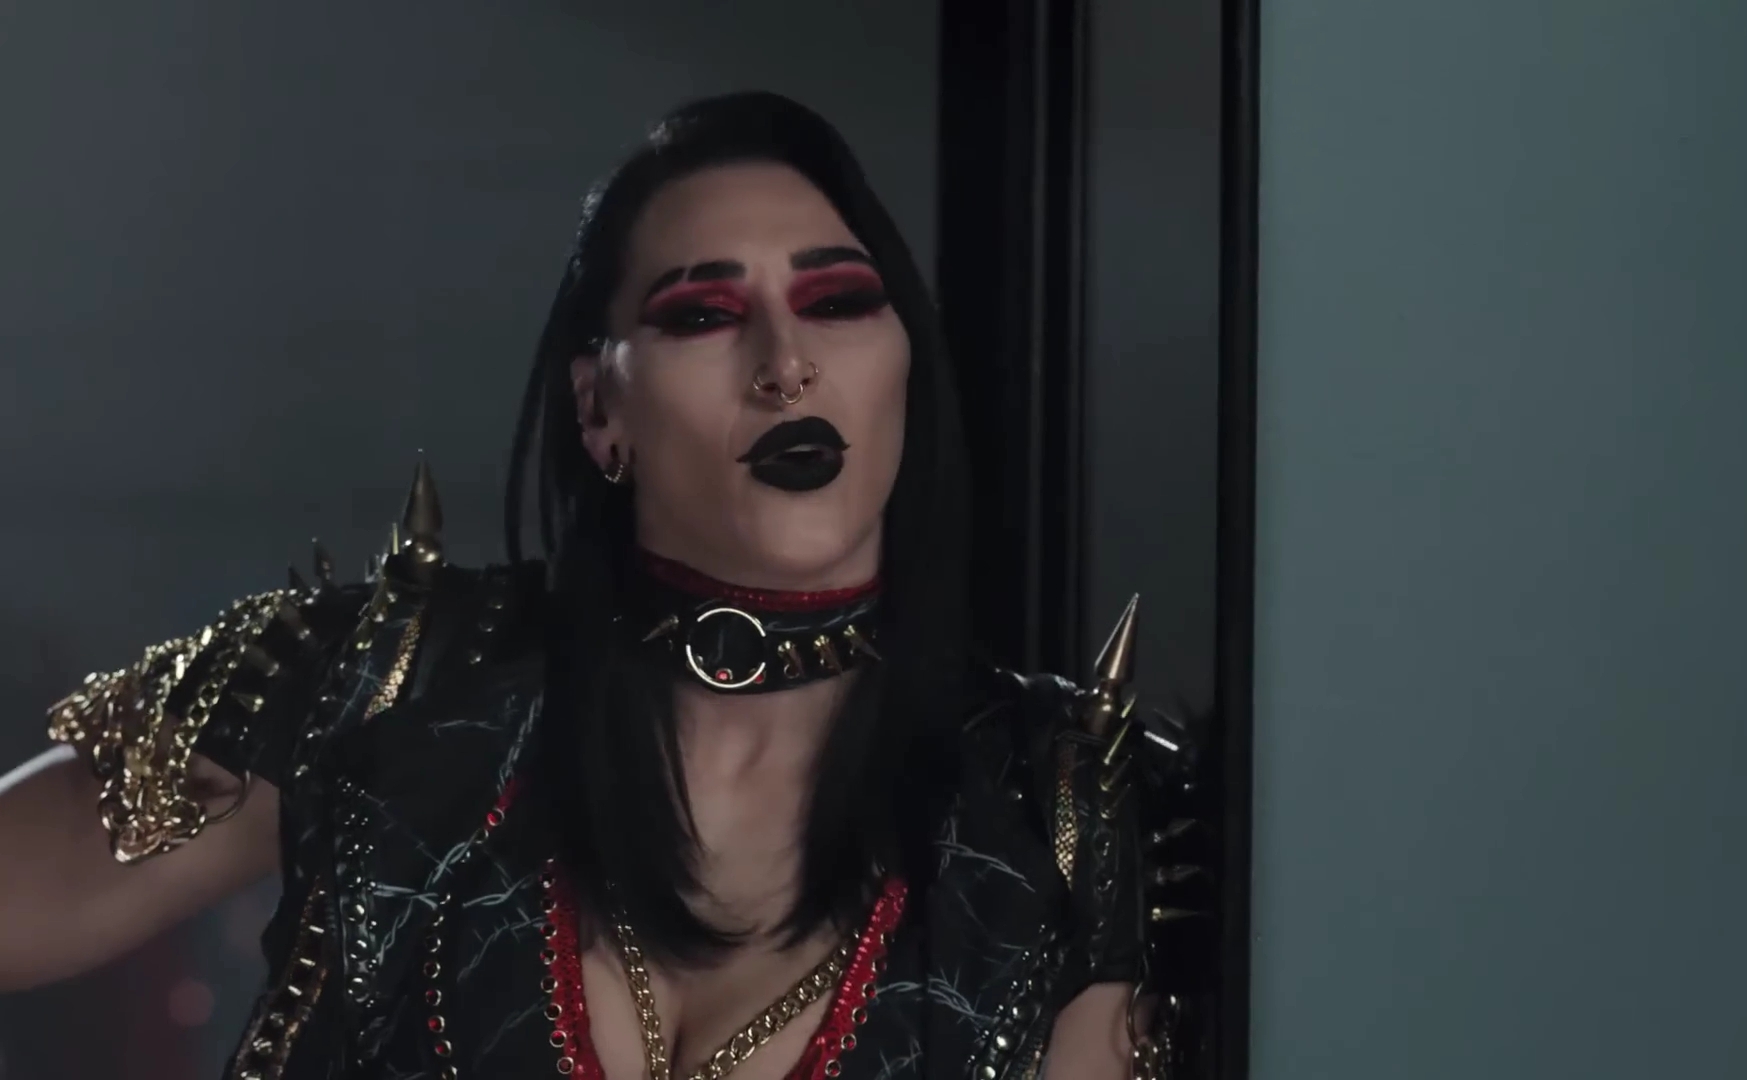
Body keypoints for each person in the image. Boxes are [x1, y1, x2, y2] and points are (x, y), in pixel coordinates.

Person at [0, 92, 1206, 1079]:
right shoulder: (385, 683)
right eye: (704, 314)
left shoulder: (1067, 811)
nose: (787, 364)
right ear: (598, 409)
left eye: (837, 300)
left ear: (905, 362)